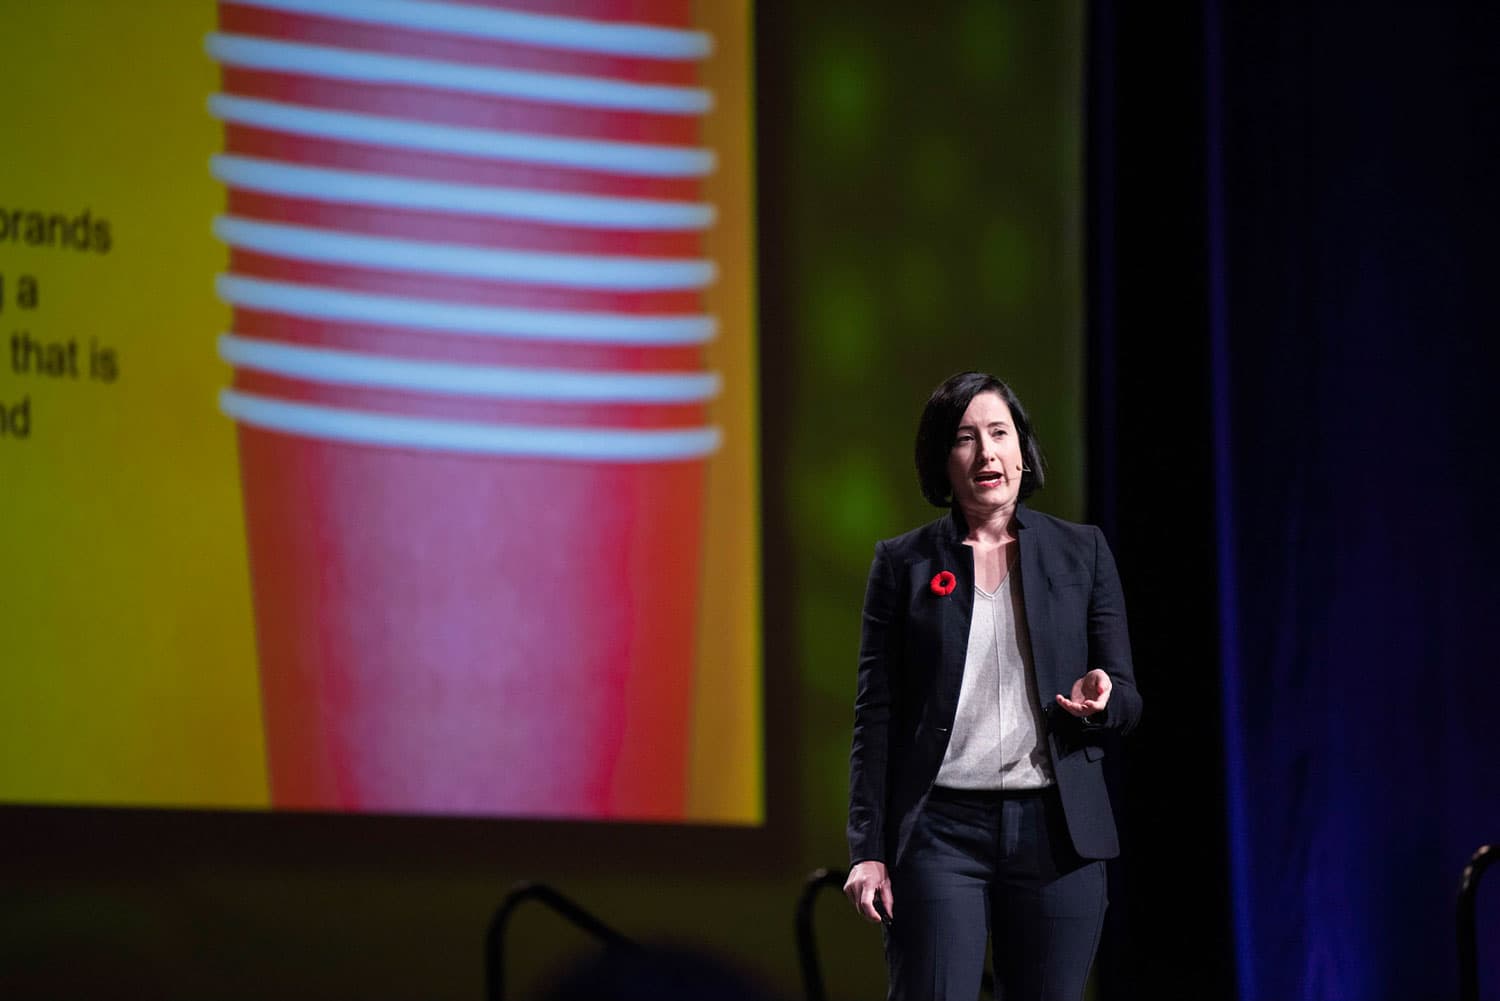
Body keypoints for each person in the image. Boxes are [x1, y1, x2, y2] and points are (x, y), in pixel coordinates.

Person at [843, 371, 1142, 1001]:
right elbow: (877, 714)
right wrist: (866, 850)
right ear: (942, 461)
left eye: (999, 433)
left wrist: (1103, 698)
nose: (986, 453)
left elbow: (1127, 698)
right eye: (965, 438)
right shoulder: (903, 564)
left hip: (1056, 833)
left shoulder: (1081, 551)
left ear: (1021, 448)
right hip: (939, 833)